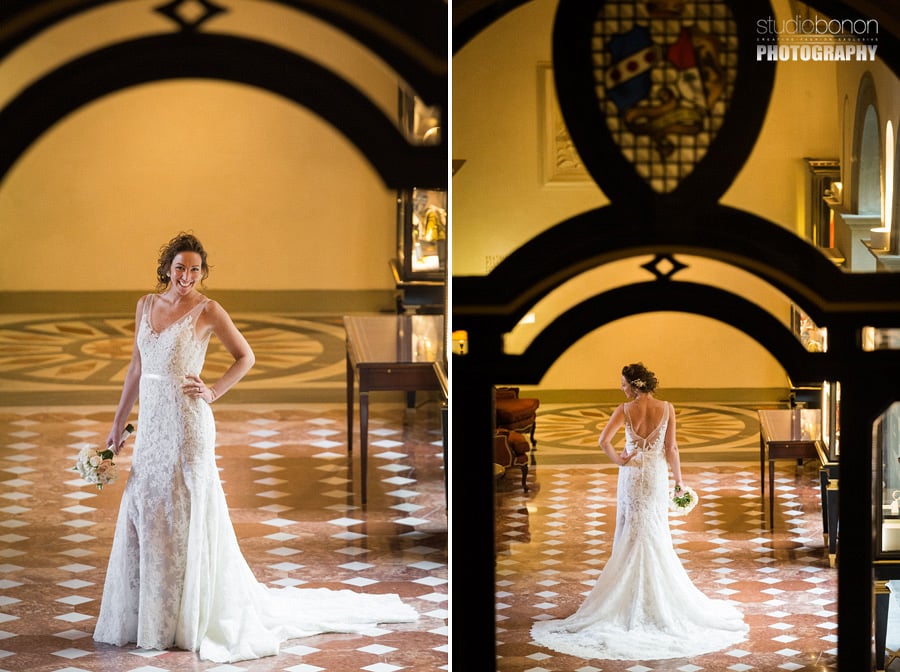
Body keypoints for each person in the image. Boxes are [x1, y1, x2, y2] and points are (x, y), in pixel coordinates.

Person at [93, 232, 417, 662]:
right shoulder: (146, 306)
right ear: (166, 268)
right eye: (180, 267)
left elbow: (245, 356)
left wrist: (212, 391)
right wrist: (118, 422)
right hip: (151, 426)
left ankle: (186, 617)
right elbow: (136, 365)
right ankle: (148, 615)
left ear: (202, 272)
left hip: (188, 424)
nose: (186, 276)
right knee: (147, 508)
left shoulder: (209, 311)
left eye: (194, 269)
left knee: (186, 510)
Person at [531, 362, 748, 660]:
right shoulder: (667, 408)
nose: (621, 388)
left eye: (623, 384)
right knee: (655, 530)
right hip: (656, 477)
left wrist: (620, 461)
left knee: (631, 530)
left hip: (632, 475)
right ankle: (655, 597)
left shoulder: (624, 409)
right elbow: (671, 449)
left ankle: (624, 597)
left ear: (635, 386)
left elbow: (603, 441)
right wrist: (679, 482)